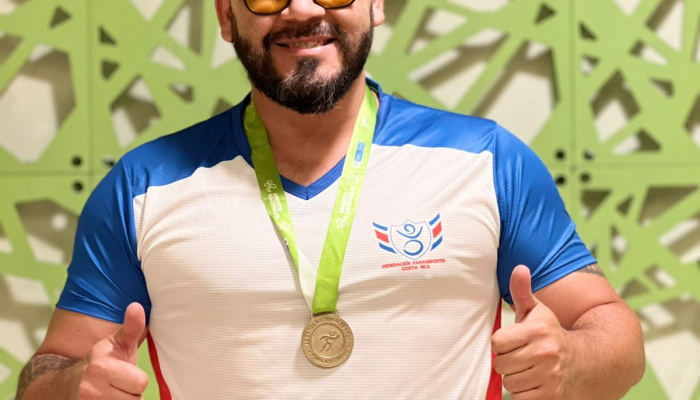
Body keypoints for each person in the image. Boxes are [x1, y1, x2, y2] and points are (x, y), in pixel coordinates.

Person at [16, 0, 645, 399]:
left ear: (375, 5)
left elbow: (620, 343)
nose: (301, 9)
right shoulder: (142, 186)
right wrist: (73, 386)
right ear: (227, 15)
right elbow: (45, 373)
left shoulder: (488, 160)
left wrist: (572, 359)